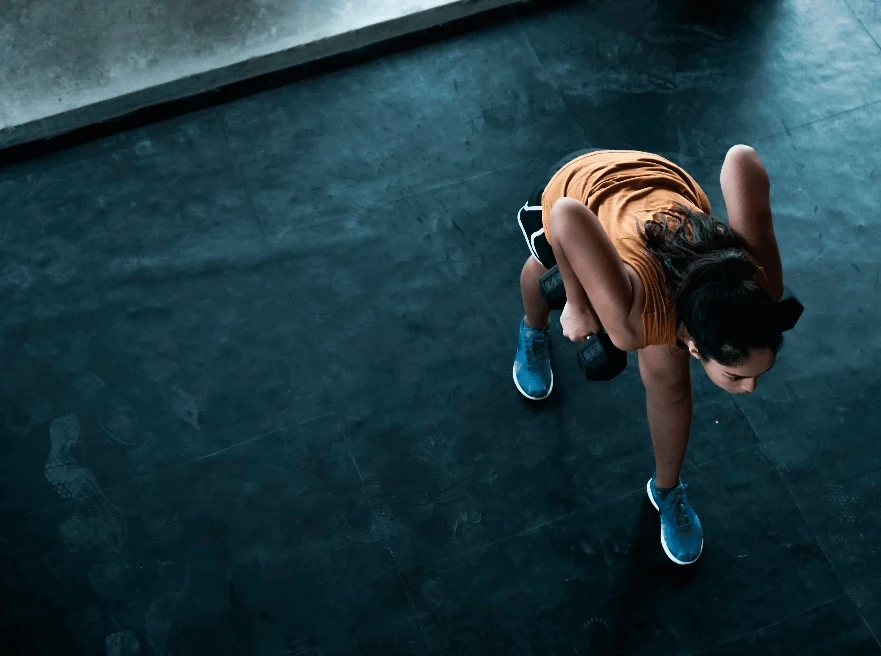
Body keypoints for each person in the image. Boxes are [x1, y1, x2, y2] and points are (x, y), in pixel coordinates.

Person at [513, 146, 785, 565]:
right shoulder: (633, 323)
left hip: (664, 187)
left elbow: (740, 159)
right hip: (581, 185)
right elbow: (566, 214)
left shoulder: (760, 285)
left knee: (671, 387)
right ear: (694, 346)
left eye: (754, 376)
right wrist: (576, 299)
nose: (749, 389)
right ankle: (532, 333)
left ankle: (666, 489)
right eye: (736, 376)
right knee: (541, 275)